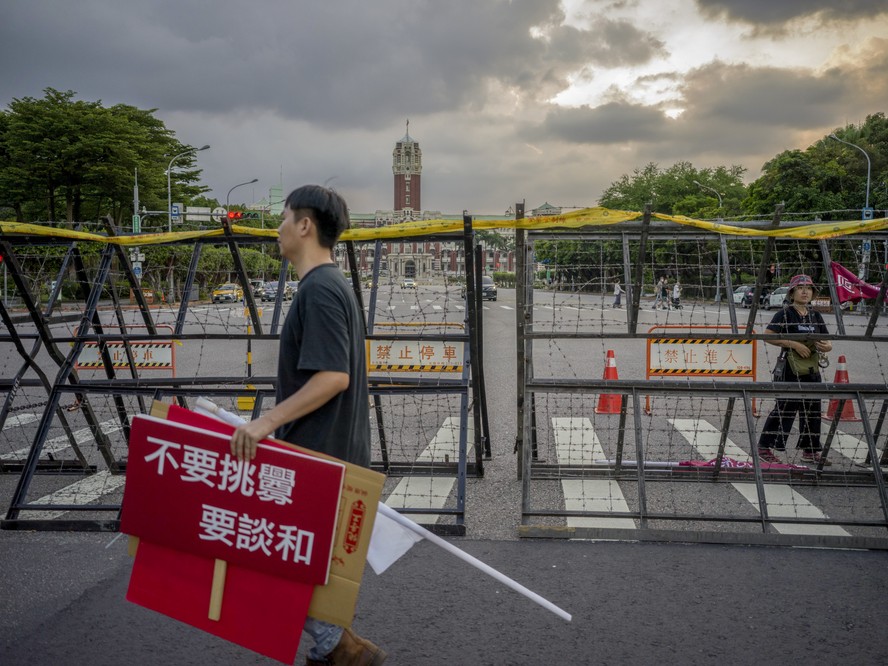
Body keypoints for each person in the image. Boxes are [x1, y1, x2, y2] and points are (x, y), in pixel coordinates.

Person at [229, 185, 386, 666]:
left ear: (305, 225)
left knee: (282, 558)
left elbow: (334, 376)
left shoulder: (319, 289)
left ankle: (341, 649)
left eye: (284, 217)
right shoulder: (329, 286)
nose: (277, 227)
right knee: (294, 560)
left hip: (320, 453)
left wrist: (266, 423)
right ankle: (337, 648)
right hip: (329, 449)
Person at [757, 274, 833, 466]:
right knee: (785, 407)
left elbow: (827, 339)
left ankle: (810, 449)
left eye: (809, 288)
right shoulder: (784, 314)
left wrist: (826, 346)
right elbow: (768, 336)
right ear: (792, 293)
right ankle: (765, 447)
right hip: (789, 368)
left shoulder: (815, 315)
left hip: (811, 367)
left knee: (813, 409)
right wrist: (793, 343)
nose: (805, 291)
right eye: (800, 288)